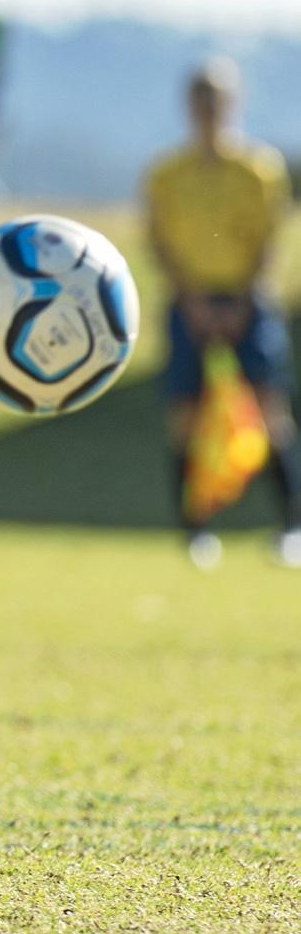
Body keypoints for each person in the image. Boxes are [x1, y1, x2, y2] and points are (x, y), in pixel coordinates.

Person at [143, 59, 300, 568]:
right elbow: (159, 242)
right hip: (189, 304)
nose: (209, 109)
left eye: (218, 99)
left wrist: (239, 301)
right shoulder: (166, 174)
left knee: (269, 412)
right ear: (189, 106)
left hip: (248, 302)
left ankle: (291, 526)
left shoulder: (259, 169)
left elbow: (269, 240)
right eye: (201, 99)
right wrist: (192, 300)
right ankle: (195, 531)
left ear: (234, 103)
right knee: (185, 417)